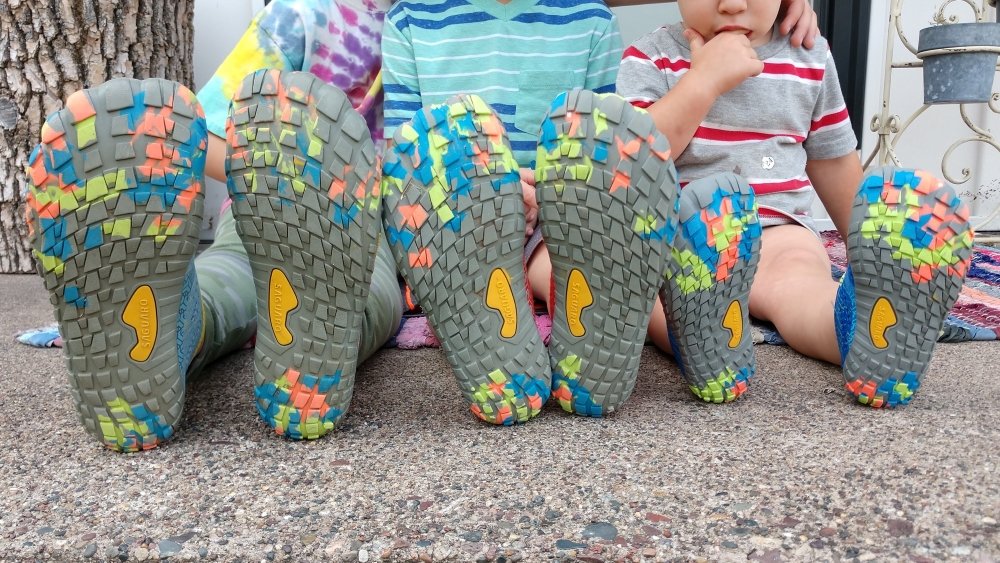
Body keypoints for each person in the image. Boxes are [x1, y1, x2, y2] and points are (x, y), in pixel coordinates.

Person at [378, 0, 821, 423]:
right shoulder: (409, 22)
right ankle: (510, 324)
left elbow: (608, 149)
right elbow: (409, 157)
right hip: (457, 219)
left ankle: (573, 332)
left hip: (560, 215)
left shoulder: (589, 20)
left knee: (596, 263)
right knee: (574, 264)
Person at [24, 0, 400, 452]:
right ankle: (301, 348)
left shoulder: (427, 21)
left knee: (229, 281)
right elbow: (209, 140)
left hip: (346, 225)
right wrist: (277, 180)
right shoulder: (301, 15)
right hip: (269, 214)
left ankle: (187, 329)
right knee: (368, 293)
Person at [613, 0, 973, 407]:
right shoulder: (649, 57)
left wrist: (868, 246)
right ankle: (702, 343)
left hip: (778, 227)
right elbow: (637, 161)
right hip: (682, 238)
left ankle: (864, 329)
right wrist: (702, 83)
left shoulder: (808, 54)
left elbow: (832, 161)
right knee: (654, 303)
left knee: (800, 289)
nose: (732, 4)